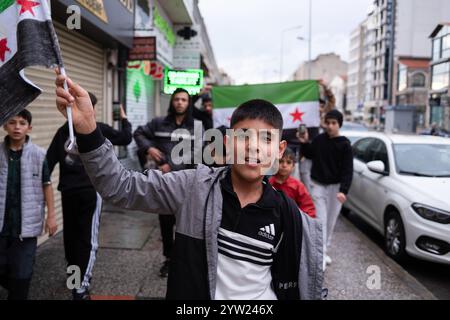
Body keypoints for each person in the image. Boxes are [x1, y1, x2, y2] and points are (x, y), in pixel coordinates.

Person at [55, 73, 324, 300]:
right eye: (244, 136)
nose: (253, 146)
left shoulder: (291, 217)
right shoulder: (194, 188)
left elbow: (308, 284)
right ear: (228, 143)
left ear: (279, 150)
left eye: (265, 138)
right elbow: (119, 186)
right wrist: (88, 129)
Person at [46, 93, 132, 300]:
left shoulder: (74, 131)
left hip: (82, 192)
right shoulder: (88, 129)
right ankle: (79, 286)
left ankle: (77, 281)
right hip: (77, 192)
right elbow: (126, 137)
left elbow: (47, 164)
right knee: (82, 239)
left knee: (76, 237)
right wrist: (124, 118)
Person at [133, 88, 203, 278]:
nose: (180, 102)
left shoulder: (196, 126)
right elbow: (138, 133)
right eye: (177, 99)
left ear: (189, 104)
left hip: (187, 184)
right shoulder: (158, 123)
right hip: (164, 185)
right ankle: (169, 259)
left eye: (184, 100)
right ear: (172, 102)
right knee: (165, 224)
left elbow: (198, 156)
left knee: (186, 224)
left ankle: (183, 260)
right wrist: (150, 149)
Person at [0, 110, 58, 300]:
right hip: (2, 226)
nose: (17, 127)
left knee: (22, 275)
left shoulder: (39, 154)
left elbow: (47, 185)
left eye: (22, 123)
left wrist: (51, 216)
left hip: (26, 227)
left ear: (29, 127)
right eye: (12, 122)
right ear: (4, 126)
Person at [298, 109, 353, 270]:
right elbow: (309, 154)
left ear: (339, 124)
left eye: (333, 123)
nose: (330, 126)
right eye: (328, 122)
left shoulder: (345, 145)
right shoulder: (320, 139)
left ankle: (324, 249)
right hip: (318, 186)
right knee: (321, 221)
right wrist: (304, 142)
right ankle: (320, 255)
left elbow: (347, 170)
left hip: (336, 189)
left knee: (331, 222)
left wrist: (344, 190)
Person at [269, 148, 316, 218]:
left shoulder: (298, 186)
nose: (284, 165)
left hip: (292, 222)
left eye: (288, 162)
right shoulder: (268, 184)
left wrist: (302, 222)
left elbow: (308, 208)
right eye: (281, 161)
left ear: (293, 166)